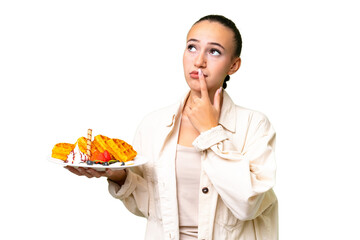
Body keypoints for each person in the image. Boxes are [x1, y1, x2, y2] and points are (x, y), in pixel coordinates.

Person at [66, 14, 278, 240]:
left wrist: (211, 132)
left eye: (214, 51)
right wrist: (119, 175)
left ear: (233, 65)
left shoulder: (254, 125)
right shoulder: (154, 124)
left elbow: (248, 205)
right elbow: (148, 207)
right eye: (192, 47)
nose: (199, 61)